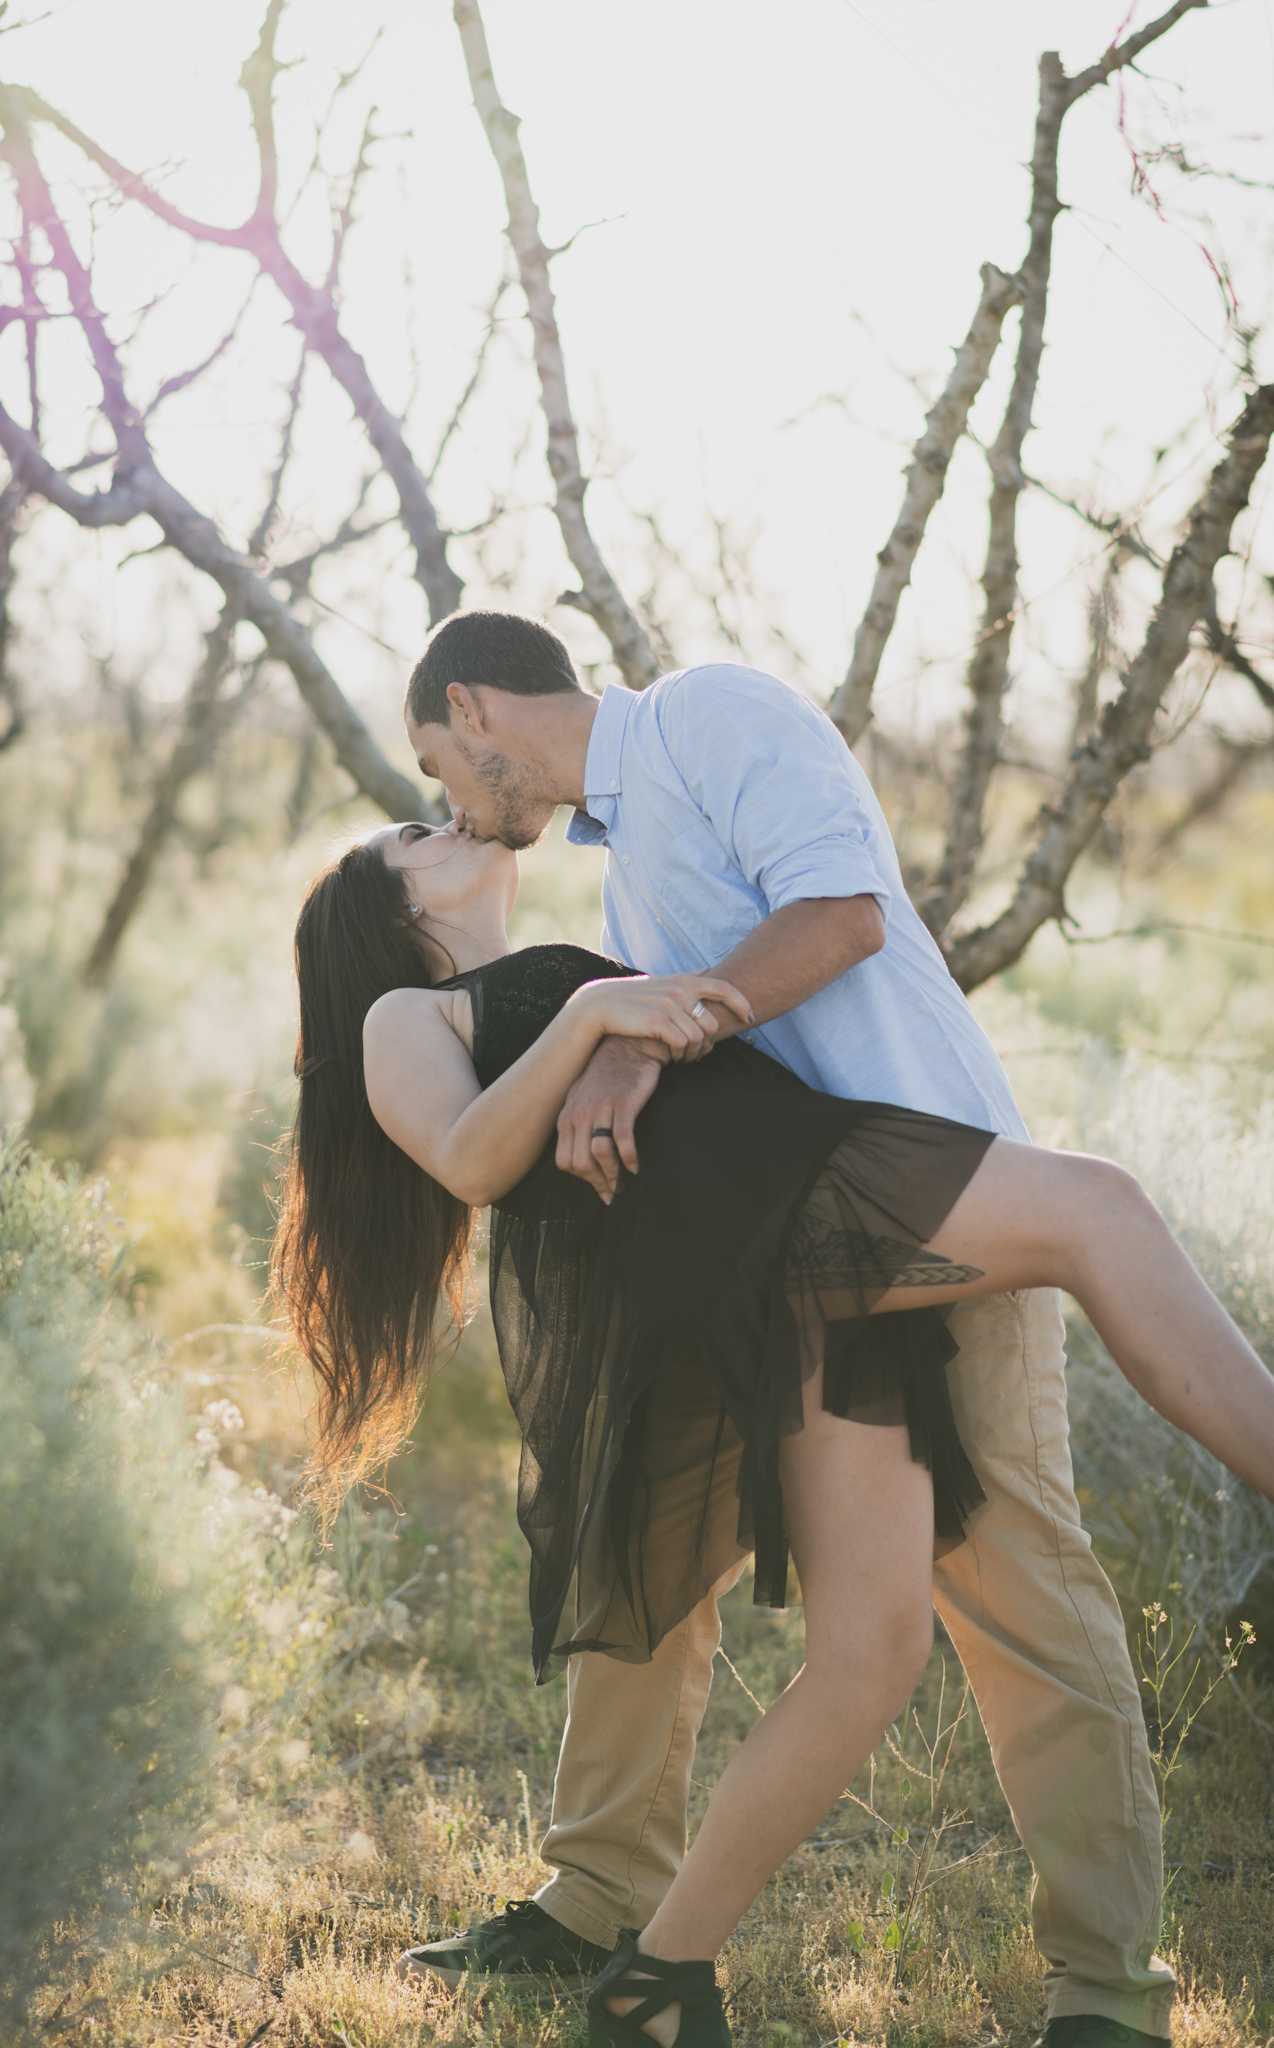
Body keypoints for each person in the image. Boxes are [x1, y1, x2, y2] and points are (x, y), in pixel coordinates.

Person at [273, 611, 1274, 2048]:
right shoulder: (580, 922)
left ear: (477, 705)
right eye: (424, 813)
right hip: (772, 1254)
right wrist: (616, 1031)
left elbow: (836, 919)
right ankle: (614, 1920)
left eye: (437, 765)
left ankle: (1101, 1984)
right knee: (688, 1582)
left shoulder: (710, 722)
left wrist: (625, 1036)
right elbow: (532, 1118)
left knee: (1012, 1603)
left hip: (919, 1182)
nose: (446, 804)